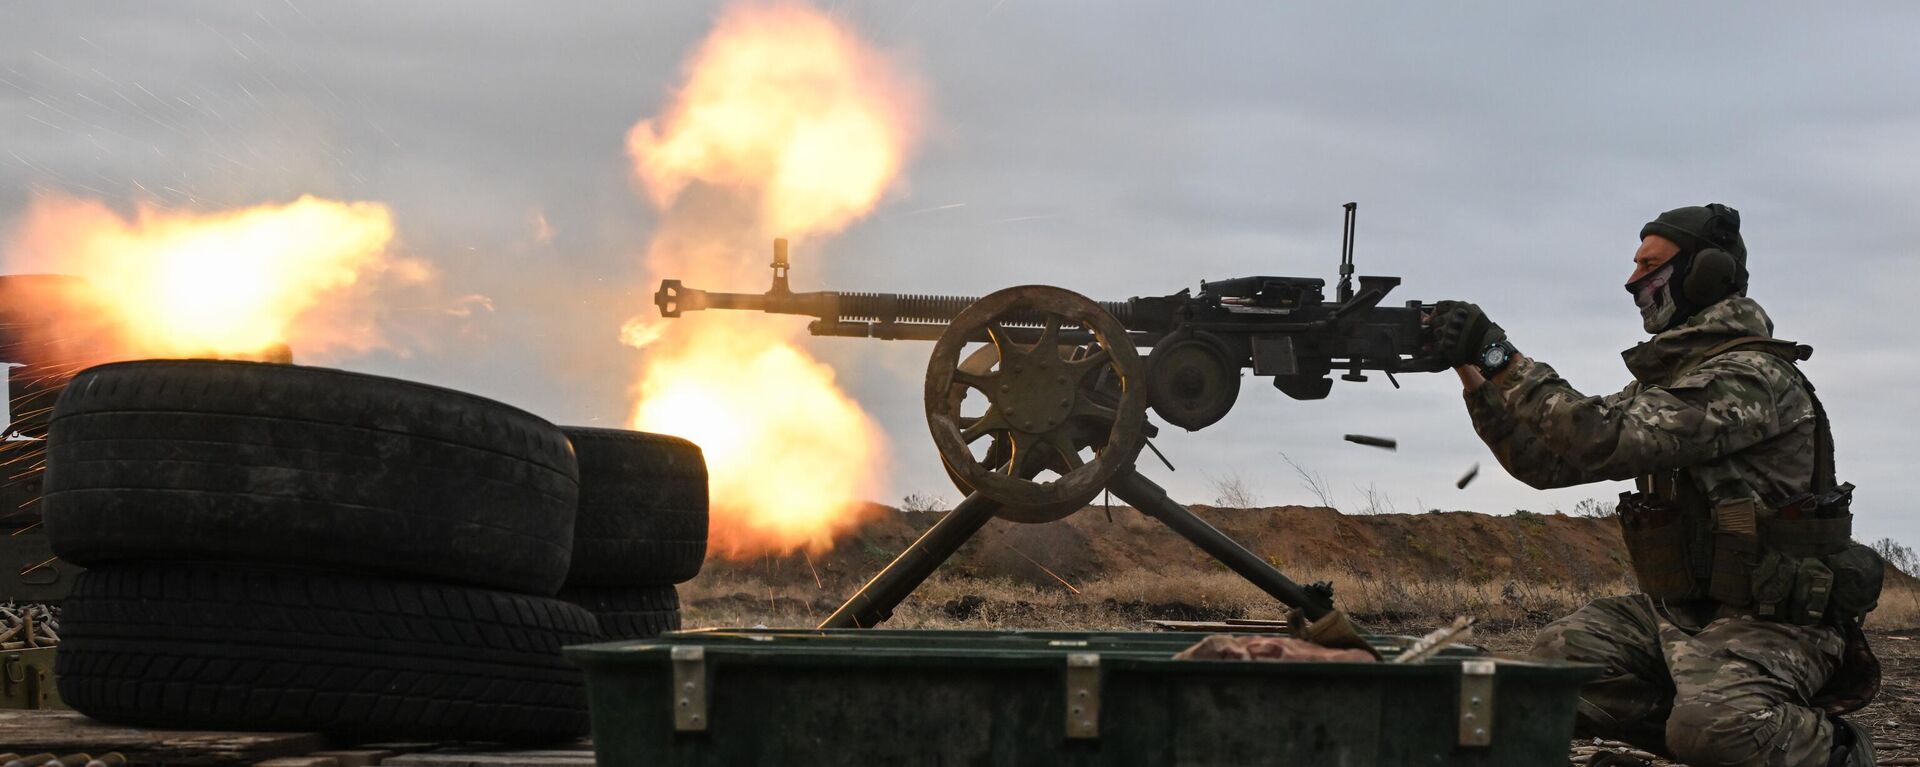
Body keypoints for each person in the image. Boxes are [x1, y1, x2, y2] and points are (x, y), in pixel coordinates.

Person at [1428, 204, 1883, 767]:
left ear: (1704, 275)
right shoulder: (1669, 383)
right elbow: (1547, 464)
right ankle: (1701, 720)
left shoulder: (1750, 379)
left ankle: (1836, 750)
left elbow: (1601, 437)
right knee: (1553, 666)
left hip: (1774, 622)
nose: (1632, 281)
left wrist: (1499, 355)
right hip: (1681, 613)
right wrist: (1471, 372)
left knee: (1718, 728)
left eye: (1650, 265)